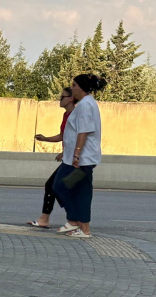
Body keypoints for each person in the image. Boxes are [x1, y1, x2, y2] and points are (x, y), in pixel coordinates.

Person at [52, 73, 107, 238]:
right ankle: (82, 227)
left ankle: (76, 222)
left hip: (81, 159)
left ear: (82, 88)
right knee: (79, 190)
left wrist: (76, 154)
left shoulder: (85, 106)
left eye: (74, 86)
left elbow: (83, 131)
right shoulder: (88, 103)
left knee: (61, 186)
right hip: (79, 158)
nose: (72, 89)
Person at [28, 87, 76, 228]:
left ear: (71, 99)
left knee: (56, 186)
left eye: (62, 97)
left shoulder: (75, 115)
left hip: (75, 160)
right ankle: (47, 219)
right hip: (69, 158)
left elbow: (79, 137)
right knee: (54, 186)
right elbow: (63, 136)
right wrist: (45, 139)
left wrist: (69, 153)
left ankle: (73, 220)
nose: (59, 100)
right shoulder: (66, 115)